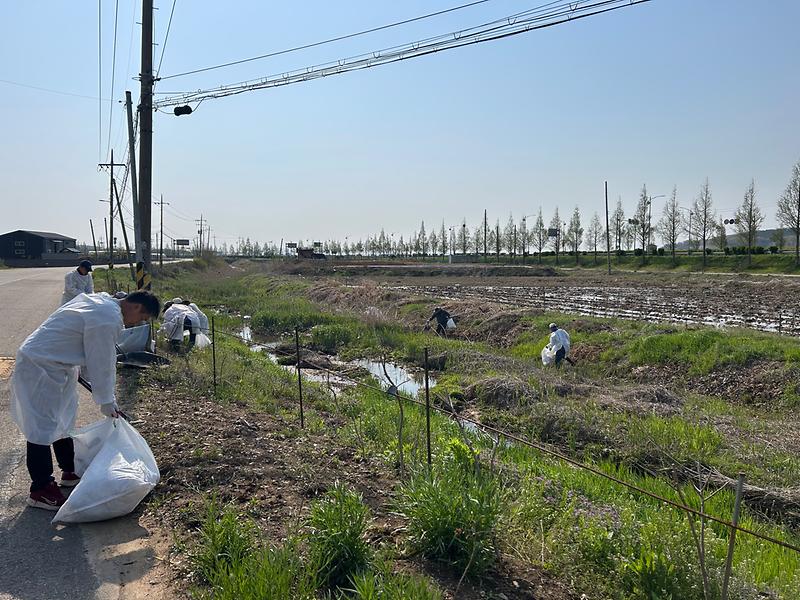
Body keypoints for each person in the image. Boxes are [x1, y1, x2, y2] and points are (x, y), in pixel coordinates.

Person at [10, 290, 161, 510]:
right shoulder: (107, 318)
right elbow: (102, 361)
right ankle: (40, 489)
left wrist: (85, 375)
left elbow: (85, 347)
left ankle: (69, 470)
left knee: (63, 420)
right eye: (142, 318)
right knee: (41, 427)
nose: (136, 323)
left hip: (60, 363)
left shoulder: (101, 302)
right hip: (40, 364)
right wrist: (107, 402)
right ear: (137, 307)